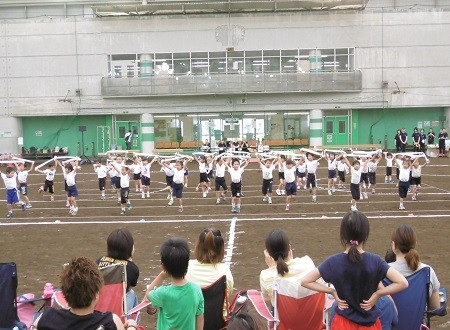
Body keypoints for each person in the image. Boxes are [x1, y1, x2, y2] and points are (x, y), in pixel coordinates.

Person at [301, 211, 408, 330]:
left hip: (342, 324)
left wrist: (332, 291)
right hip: (370, 325)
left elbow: (305, 281)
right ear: (365, 235)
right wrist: (378, 294)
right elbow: (403, 282)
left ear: (343, 235)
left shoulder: (333, 262)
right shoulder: (376, 261)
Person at [32, 256, 137, 330]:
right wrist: (132, 326)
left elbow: (35, 326)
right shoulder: (110, 322)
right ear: (96, 294)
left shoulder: (47, 318)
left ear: (65, 294)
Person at [144, 237, 204, 330]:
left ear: (164, 267)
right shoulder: (196, 290)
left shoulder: (162, 293)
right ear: (187, 264)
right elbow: (200, 319)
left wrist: (162, 276)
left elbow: (148, 293)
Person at [389, 224, 441, 310]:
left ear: (393, 245)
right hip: (418, 323)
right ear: (415, 244)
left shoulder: (382, 271)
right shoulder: (427, 271)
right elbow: (435, 307)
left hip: (389, 323)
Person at [259, 229, 315, 307]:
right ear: (289, 248)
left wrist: (272, 269)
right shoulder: (307, 262)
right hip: (311, 316)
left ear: (268, 255)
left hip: (283, 318)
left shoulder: (266, 276)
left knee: (274, 302)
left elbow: (267, 298)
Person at [186, 228, 234, 312]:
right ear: (221, 249)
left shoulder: (186, 267)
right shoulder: (225, 271)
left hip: (192, 321)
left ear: (198, 246)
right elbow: (228, 294)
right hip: (219, 322)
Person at [97, 228, 140, 315]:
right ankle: (132, 324)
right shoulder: (132, 268)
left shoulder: (99, 261)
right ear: (129, 248)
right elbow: (127, 289)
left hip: (98, 305)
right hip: (118, 310)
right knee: (132, 293)